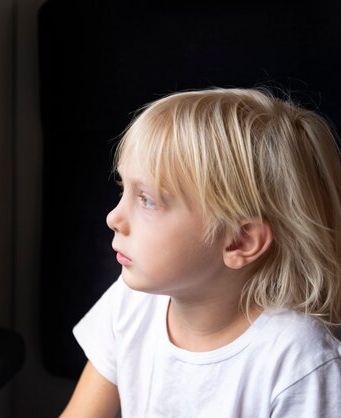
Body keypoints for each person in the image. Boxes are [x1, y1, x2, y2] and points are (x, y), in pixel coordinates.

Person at [61, 88, 341, 417]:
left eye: (147, 199)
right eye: (125, 189)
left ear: (240, 241)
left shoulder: (300, 362)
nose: (113, 218)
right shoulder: (130, 304)